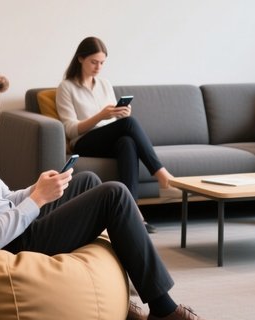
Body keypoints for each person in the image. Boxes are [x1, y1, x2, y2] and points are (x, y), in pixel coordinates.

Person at [0, 64, 228, 320]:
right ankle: (164, 312)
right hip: (10, 245)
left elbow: (2, 198)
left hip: (14, 224)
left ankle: (123, 303)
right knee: (115, 195)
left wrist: (37, 189)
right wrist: (37, 199)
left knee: (87, 181)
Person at [56, 36, 175, 232]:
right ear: (80, 59)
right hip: (83, 141)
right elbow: (70, 128)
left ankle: (134, 212)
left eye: (102, 63)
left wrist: (121, 114)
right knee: (129, 125)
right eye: (93, 62)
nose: (98, 67)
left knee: (127, 142)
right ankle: (163, 177)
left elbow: (114, 123)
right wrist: (101, 115)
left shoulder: (104, 84)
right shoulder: (66, 87)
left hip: (108, 138)